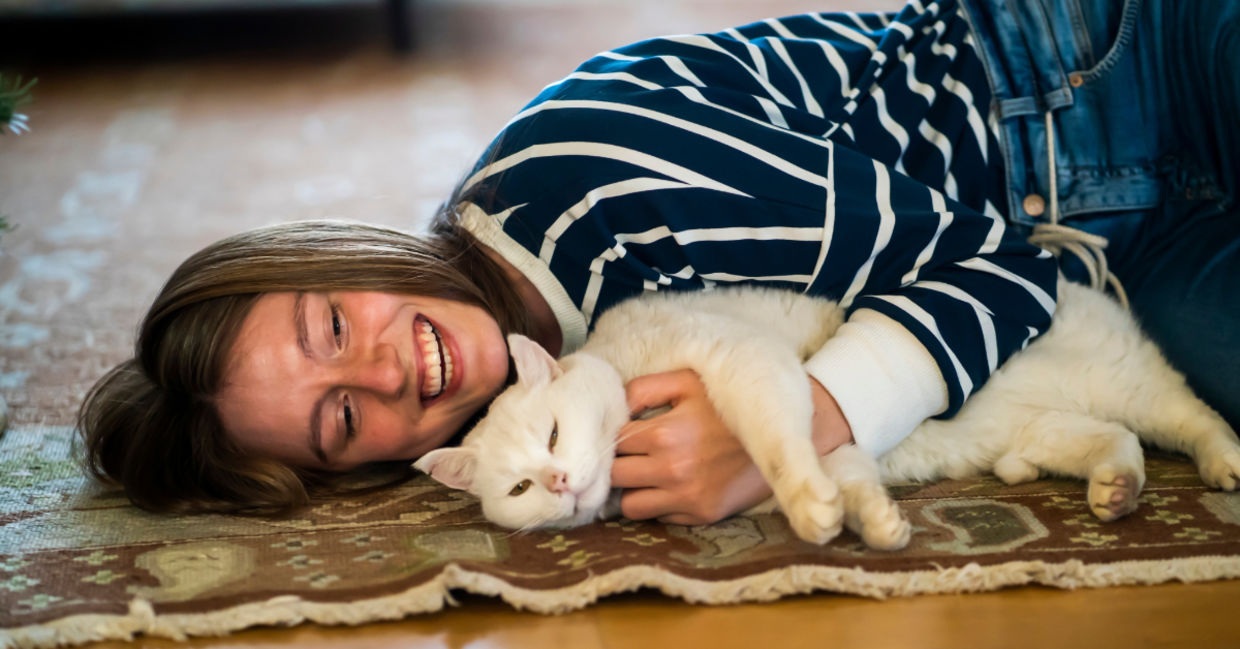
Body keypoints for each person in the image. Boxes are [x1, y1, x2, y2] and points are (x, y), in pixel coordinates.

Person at [79, 0, 1238, 520]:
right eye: (339, 422)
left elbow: (987, 270)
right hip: (1117, 262)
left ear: (341, 256)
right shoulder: (561, 409)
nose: (384, 376)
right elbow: (1046, 293)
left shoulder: (588, 178)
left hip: (1105, 60)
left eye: (331, 329)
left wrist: (791, 424)